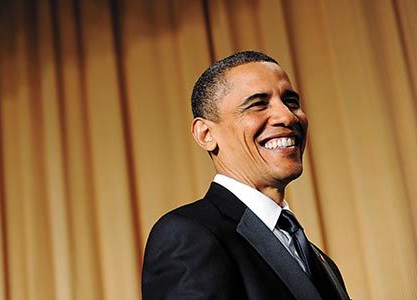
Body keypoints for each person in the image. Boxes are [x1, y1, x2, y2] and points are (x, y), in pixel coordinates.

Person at [141, 51, 350, 300]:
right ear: (206, 134)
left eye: (291, 101)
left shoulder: (322, 263)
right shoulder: (189, 235)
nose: (287, 116)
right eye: (258, 104)